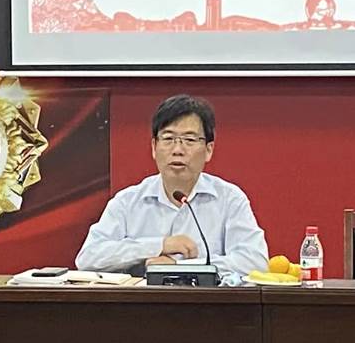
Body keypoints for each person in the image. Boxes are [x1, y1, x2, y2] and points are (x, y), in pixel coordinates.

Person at [75, 94, 269, 277]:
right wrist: (159, 246)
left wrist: (181, 267)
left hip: (206, 301)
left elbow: (255, 261)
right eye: (168, 139)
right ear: (154, 147)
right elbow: (88, 258)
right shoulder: (127, 201)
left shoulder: (229, 199)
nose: (177, 150)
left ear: (209, 150)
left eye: (189, 140)